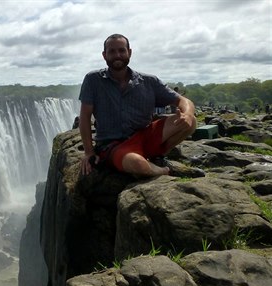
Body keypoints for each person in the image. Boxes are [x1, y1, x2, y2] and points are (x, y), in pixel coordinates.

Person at [78, 33, 203, 178]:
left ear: (129, 52)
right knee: (137, 164)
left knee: (191, 122)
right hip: (113, 145)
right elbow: (85, 117)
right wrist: (89, 152)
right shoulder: (93, 80)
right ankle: (163, 171)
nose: (117, 55)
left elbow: (184, 101)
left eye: (121, 50)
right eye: (112, 51)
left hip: (145, 136)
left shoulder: (149, 81)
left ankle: (158, 155)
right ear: (104, 55)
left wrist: (187, 114)